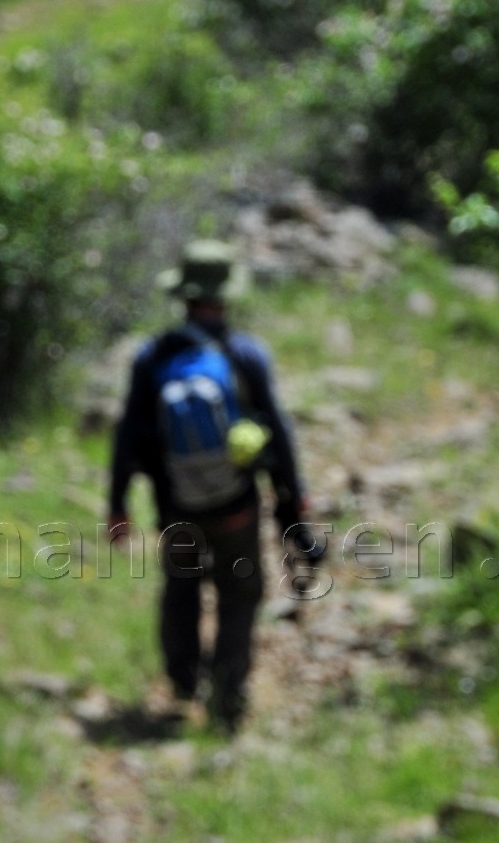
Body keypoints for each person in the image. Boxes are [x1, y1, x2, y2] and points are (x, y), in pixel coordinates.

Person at [107, 239, 313, 733]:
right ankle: (227, 699)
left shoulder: (153, 356)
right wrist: (294, 497)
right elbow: (278, 433)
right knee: (240, 594)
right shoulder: (246, 355)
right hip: (236, 504)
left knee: (181, 587)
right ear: (227, 296)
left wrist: (117, 503)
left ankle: (183, 683)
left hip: (175, 503)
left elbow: (127, 434)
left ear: (183, 295)